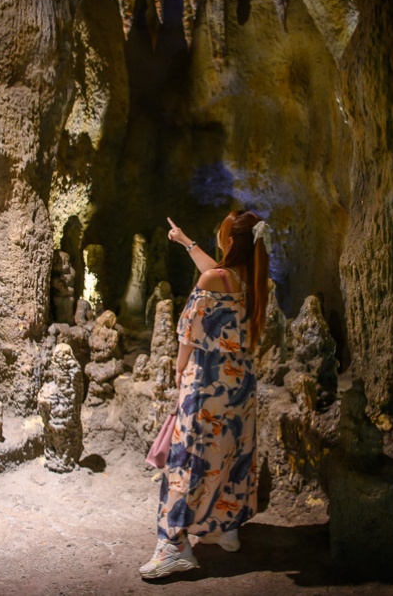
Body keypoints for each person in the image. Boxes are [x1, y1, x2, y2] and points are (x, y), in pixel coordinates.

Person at [138, 210, 271, 580]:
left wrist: (181, 368)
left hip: (208, 381)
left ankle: (173, 545)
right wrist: (186, 242)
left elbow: (188, 330)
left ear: (230, 242)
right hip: (240, 384)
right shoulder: (256, 280)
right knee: (232, 452)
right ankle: (225, 528)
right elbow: (219, 273)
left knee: (186, 459)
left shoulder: (215, 279)